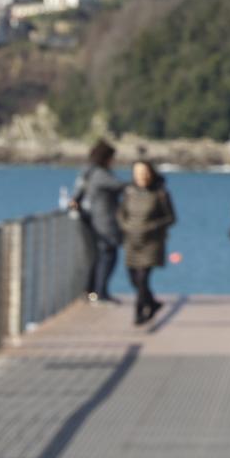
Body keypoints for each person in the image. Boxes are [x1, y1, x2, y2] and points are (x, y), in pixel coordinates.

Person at [119, 160, 176, 326]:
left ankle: (139, 312)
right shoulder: (129, 192)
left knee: (143, 278)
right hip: (132, 241)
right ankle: (152, 302)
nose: (141, 176)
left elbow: (171, 218)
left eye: (144, 172)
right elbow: (121, 213)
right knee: (133, 278)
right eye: (138, 172)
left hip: (151, 242)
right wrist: (126, 226)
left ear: (151, 173)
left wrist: (151, 227)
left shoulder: (161, 193)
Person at [70, 140, 124, 304]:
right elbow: (120, 186)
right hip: (102, 221)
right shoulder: (100, 174)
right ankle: (100, 293)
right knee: (107, 255)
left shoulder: (86, 172)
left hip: (90, 220)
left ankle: (92, 292)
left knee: (97, 256)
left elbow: (77, 193)